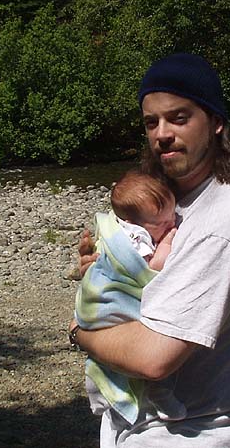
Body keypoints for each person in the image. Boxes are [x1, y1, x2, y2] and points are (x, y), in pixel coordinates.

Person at [69, 52, 230, 448]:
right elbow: (143, 277)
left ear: (215, 121)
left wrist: (80, 331)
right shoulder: (171, 199)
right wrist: (105, 269)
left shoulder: (228, 215)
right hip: (145, 430)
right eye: (152, 122)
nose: (162, 133)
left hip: (188, 436)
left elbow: (153, 357)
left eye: (179, 118)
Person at [74, 170, 185, 426]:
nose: (172, 223)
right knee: (145, 339)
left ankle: (106, 393)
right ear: (133, 224)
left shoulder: (119, 227)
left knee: (109, 357)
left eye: (173, 215)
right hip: (112, 299)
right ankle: (159, 392)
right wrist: (167, 243)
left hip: (97, 305)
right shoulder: (136, 239)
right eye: (162, 223)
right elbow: (152, 267)